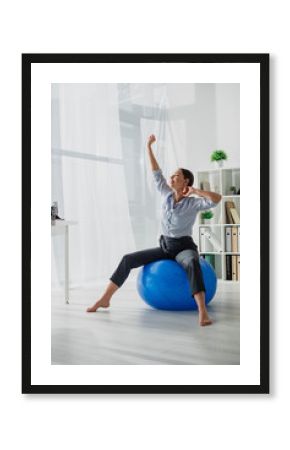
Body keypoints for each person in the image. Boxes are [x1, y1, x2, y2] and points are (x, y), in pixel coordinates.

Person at [86, 134, 221, 326]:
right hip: (165, 245)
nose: (171, 177)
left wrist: (196, 191)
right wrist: (148, 146)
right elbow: (156, 172)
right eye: (172, 175)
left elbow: (217, 199)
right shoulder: (166, 195)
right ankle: (105, 298)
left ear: (185, 183)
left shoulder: (193, 203)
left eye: (176, 176)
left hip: (183, 247)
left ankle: (202, 312)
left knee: (192, 262)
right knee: (128, 259)